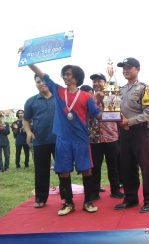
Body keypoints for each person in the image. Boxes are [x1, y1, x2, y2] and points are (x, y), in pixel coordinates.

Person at [25, 62, 101, 216]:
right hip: (63, 139)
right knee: (63, 171)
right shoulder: (58, 90)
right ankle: (68, 203)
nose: (65, 77)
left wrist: (117, 116)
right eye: (64, 74)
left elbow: (98, 115)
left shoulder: (86, 97)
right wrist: (29, 61)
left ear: (76, 78)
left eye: (68, 74)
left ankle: (88, 201)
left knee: (86, 169)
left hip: (81, 139)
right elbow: (42, 74)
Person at [113, 57, 149, 213]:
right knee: (127, 166)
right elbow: (113, 109)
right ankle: (130, 198)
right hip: (125, 133)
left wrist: (128, 122)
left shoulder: (145, 89)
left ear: (138, 69)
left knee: (146, 167)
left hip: (140, 132)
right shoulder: (120, 90)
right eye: (123, 67)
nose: (125, 70)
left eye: (129, 67)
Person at [87, 73, 124, 200]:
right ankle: (94, 192)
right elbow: (86, 115)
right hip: (94, 137)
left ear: (105, 83)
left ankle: (115, 190)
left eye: (99, 81)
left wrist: (104, 100)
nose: (96, 83)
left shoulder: (113, 96)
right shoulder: (88, 98)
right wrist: (95, 100)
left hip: (111, 137)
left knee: (113, 165)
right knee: (95, 167)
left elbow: (116, 116)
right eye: (94, 81)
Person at [23, 74, 56, 207]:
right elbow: (25, 120)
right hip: (40, 140)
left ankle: (67, 198)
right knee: (41, 170)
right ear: (35, 84)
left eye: (43, 81)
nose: (41, 83)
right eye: (38, 82)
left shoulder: (58, 98)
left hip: (59, 140)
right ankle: (40, 198)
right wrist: (29, 132)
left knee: (62, 169)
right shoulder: (31, 101)